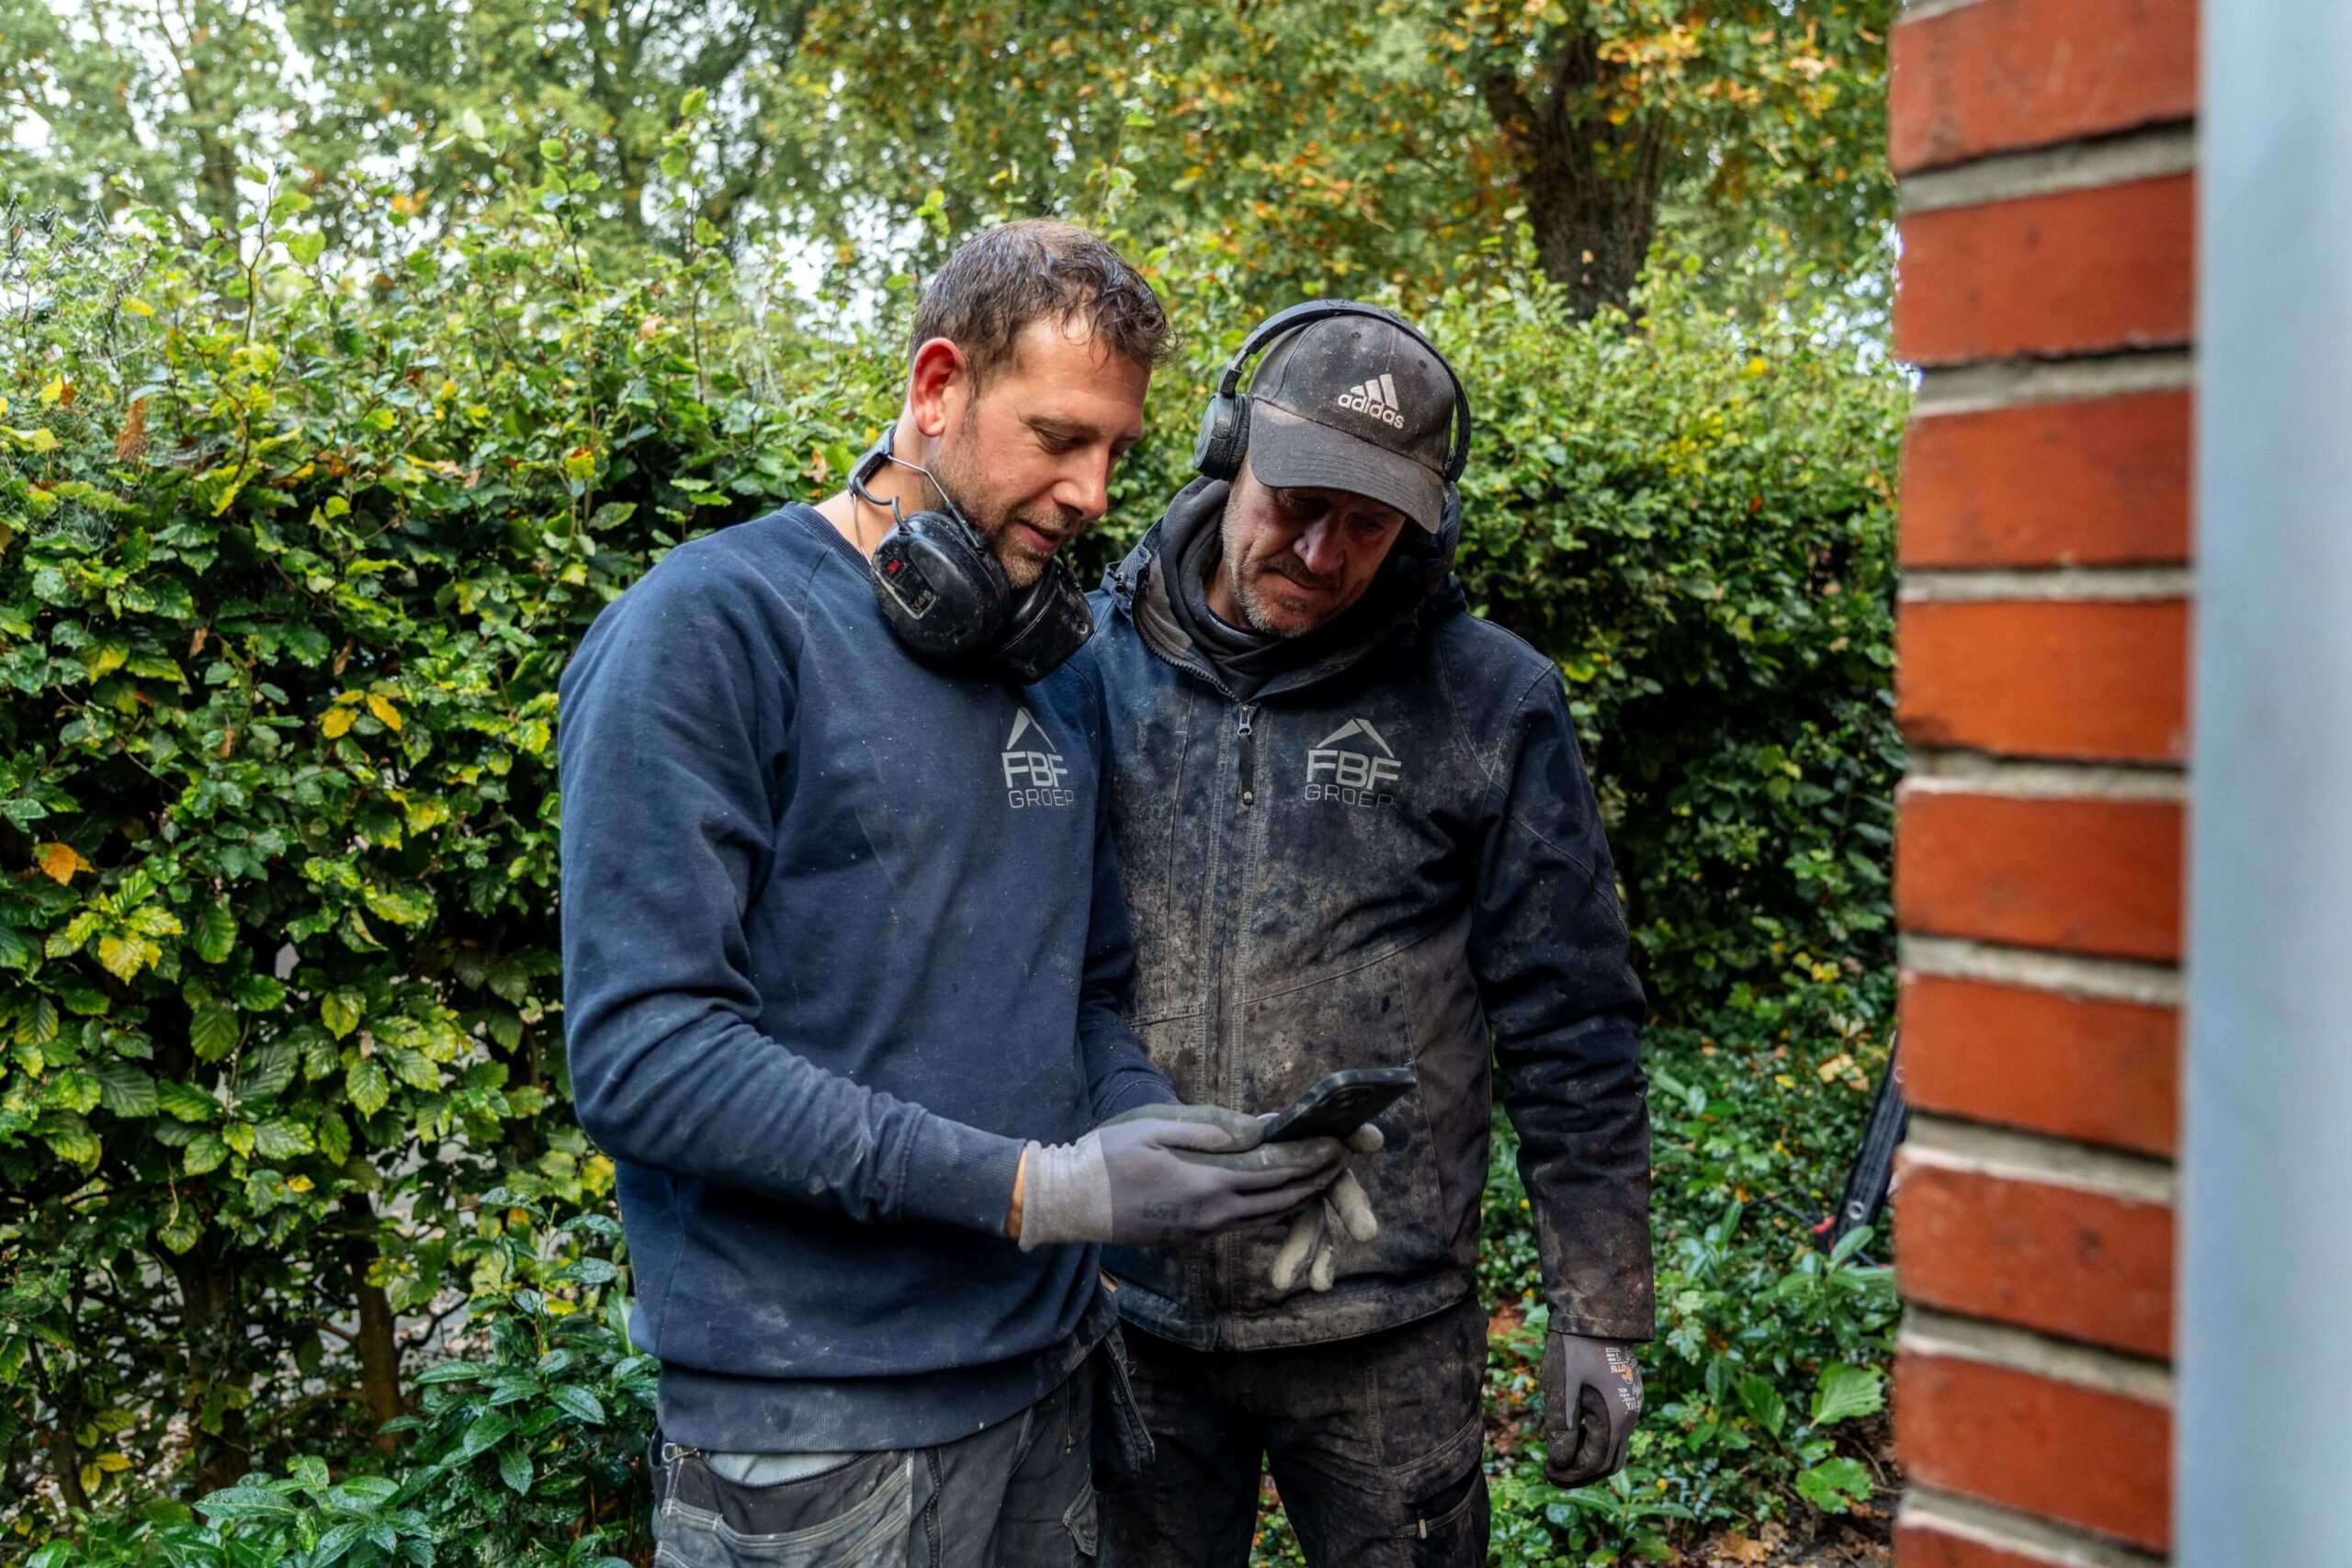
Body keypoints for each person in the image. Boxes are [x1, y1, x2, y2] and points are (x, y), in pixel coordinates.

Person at [556, 224, 1358, 1567]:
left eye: (1115, 451)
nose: (1095, 491)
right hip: (816, 1438)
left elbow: (1082, 991)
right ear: (937, 387)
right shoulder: (709, 630)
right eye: (1057, 437)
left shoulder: (1056, 663)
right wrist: (1036, 1191)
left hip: (1050, 1393)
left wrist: (1160, 1146)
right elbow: (645, 1059)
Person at [1086, 302, 1655, 1566]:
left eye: (1369, 522)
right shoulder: (1092, 667)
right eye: (1297, 499)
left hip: (1389, 1335)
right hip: (1136, 1315)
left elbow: (1575, 1020)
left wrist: (1600, 1307)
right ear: (1229, 448)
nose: (1323, 548)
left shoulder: (1490, 700)